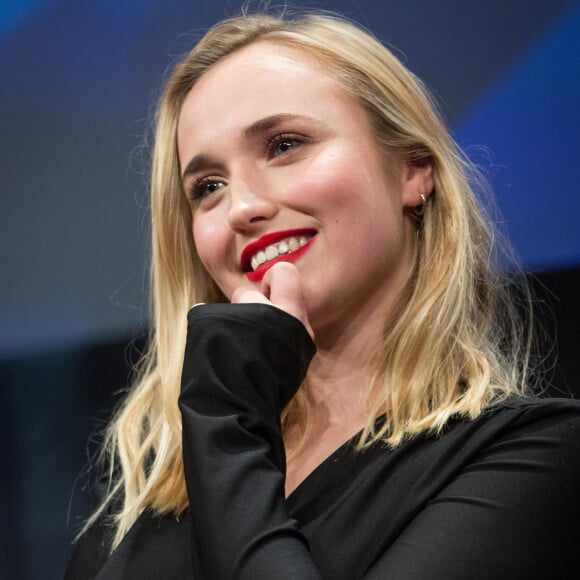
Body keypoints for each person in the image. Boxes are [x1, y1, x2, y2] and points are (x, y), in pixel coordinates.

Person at [65, 10, 580, 580]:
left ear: (412, 171)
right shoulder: (135, 513)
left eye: (285, 145)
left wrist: (228, 420)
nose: (241, 208)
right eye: (209, 187)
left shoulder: (534, 455)